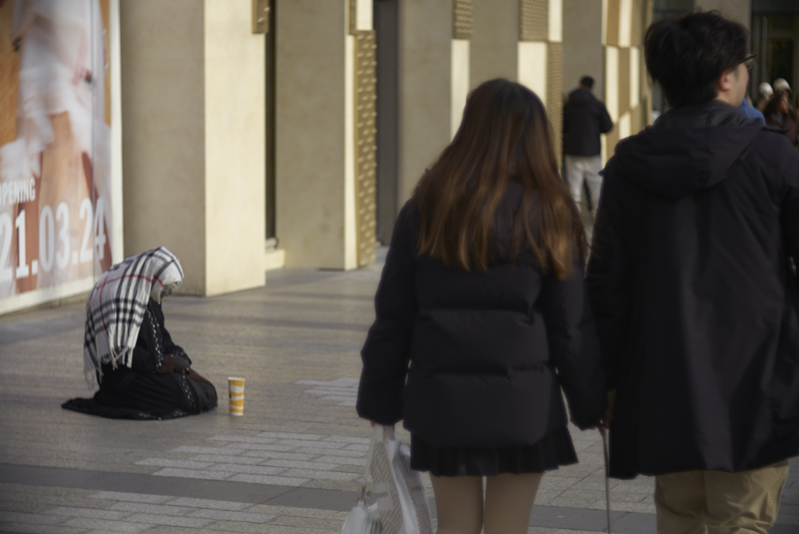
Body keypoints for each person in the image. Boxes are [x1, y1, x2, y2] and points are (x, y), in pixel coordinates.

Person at [357, 79, 605, 534]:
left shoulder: (426, 207)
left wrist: (380, 398)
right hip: (523, 405)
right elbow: (570, 326)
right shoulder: (550, 212)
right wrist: (591, 403)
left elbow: (394, 317)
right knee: (508, 528)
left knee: (456, 527)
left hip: (443, 405)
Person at [587, 10, 799, 534]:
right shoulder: (774, 157)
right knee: (742, 521)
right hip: (757, 382)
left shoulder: (630, 164)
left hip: (665, 381)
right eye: (746, 63)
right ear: (726, 77)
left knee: (679, 519)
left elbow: (607, 287)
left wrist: (605, 385)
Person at [63, 247, 217, 420]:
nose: (163, 296)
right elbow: (124, 355)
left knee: (207, 390)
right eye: (164, 290)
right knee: (187, 396)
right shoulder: (122, 298)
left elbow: (162, 336)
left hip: (150, 369)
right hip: (125, 377)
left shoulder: (149, 294)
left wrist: (178, 356)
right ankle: (120, 399)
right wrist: (167, 363)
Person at [563, 75, 613, 219]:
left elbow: (564, 127)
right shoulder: (597, 105)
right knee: (595, 185)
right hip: (593, 152)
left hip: (573, 151)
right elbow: (608, 126)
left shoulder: (569, 104)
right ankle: (596, 213)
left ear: (580, 85)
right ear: (592, 88)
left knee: (574, 185)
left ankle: (575, 216)